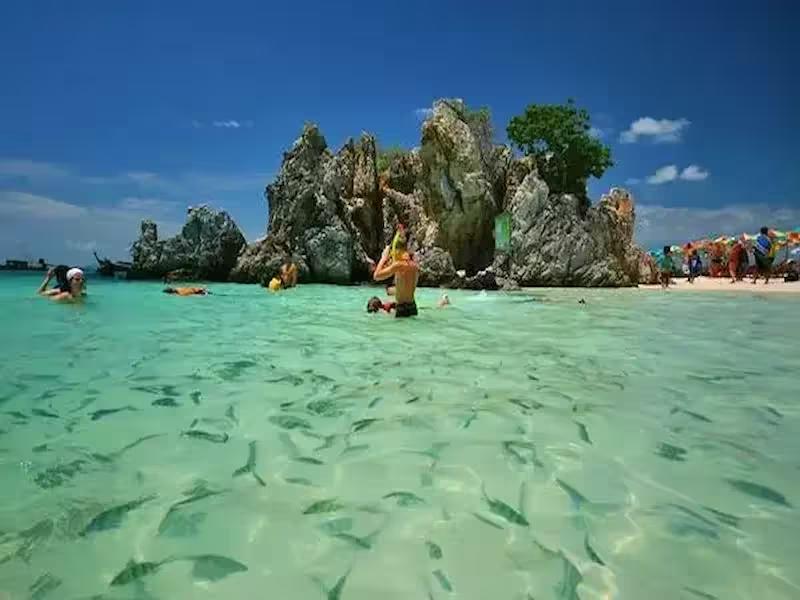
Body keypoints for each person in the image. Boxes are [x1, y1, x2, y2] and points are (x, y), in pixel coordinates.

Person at [373, 227, 419, 317]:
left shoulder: (398, 265)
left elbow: (376, 276)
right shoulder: (415, 266)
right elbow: (405, 288)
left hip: (402, 310)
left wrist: (383, 258)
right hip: (413, 308)